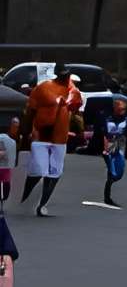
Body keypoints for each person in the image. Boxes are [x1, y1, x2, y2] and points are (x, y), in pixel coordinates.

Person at [19, 70, 78, 215]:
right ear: (57, 73)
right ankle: (23, 198)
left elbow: (76, 108)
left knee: (54, 172)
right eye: (63, 74)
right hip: (41, 135)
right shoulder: (43, 88)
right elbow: (30, 111)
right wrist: (26, 131)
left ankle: (42, 204)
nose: (66, 77)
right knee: (38, 170)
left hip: (60, 137)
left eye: (67, 75)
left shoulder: (73, 90)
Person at [93, 92, 127, 209]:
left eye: (123, 108)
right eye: (119, 107)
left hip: (120, 142)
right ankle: (107, 197)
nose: (121, 110)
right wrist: (105, 148)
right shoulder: (106, 116)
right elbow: (103, 133)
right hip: (109, 141)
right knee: (112, 170)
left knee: (119, 171)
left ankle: (112, 180)